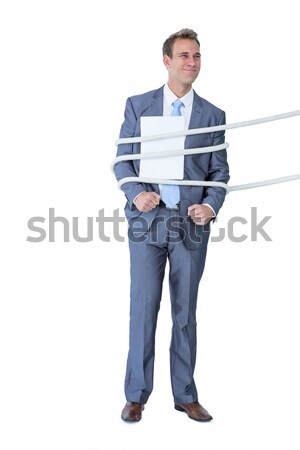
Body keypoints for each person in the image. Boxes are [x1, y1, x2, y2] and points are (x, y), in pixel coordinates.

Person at [114, 28, 230, 422]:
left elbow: (219, 172)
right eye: (184, 56)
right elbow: (122, 161)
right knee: (143, 308)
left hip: (190, 223)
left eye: (196, 56)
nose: (192, 63)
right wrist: (135, 194)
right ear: (167, 60)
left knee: (185, 312)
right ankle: (136, 395)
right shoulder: (139, 105)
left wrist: (210, 206)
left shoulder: (213, 115)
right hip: (148, 221)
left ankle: (185, 394)